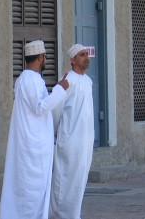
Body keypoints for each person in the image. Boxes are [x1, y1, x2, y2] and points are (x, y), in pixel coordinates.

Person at [0, 40, 69, 219]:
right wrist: (60, 90)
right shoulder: (29, 79)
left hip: (35, 144)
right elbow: (40, 107)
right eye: (44, 56)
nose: (45, 59)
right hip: (33, 147)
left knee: (35, 191)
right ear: (40, 57)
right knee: (33, 191)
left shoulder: (30, 78)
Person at [49, 44, 95, 219]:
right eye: (82, 55)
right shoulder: (67, 80)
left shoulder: (88, 81)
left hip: (85, 141)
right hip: (69, 140)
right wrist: (57, 132)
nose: (86, 57)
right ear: (73, 60)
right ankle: (58, 215)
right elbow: (56, 110)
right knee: (64, 180)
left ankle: (74, 215)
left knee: (79, 180)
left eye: (86, 54)